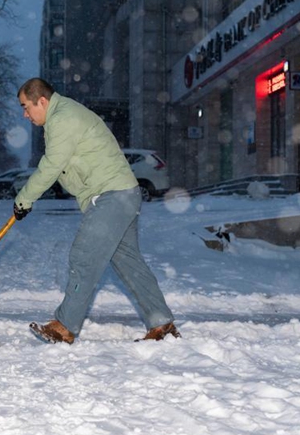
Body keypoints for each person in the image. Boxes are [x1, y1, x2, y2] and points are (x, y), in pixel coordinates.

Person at [13, 78, 180, 344]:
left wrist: (24, 199)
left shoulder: (62, 118)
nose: (25, 114)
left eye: (25, 107)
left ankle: (64, 326)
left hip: (112, 196)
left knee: (84, 256)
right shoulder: (63, 115)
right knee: (128, 262)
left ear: (41, 101)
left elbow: (51, 166)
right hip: (121, 194)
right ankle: (161, 323)